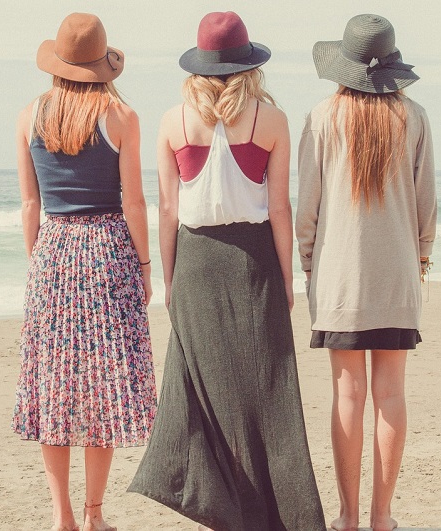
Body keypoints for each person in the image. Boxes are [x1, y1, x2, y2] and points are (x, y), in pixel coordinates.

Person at [128, 11, 326, 531]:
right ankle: (281, 514)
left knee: (204, 388)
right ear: (247, 65)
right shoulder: (270, 119)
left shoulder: (174, 121)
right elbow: (279, 207)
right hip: (254, 257)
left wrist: (170, 279)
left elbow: (168, 211)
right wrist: (288, 275)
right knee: (268, 390)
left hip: (195, 260)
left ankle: (222, 506)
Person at [11, 13, 157, 531]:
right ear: (102, 65)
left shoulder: (30, 115)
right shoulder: (121, 116)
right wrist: (144, 265)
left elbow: (30, 204)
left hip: (54, 248)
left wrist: (40, 262)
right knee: (102, 385)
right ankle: (95, 516)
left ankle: (62, 517)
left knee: (54, 384)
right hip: (107, 249)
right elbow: (134, 202)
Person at [295, 14, 437, 531]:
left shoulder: (322, 116)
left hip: (339, 277)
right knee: (392, 393)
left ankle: (348, 517)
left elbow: (306, 207)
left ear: (344, 66)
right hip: (397, 274)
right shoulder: (414, 117)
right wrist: (419, 262)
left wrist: (311, 266)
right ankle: (382, 518)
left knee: (347, 394)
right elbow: (426, 207)